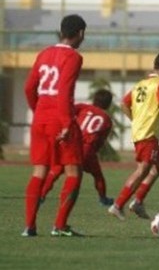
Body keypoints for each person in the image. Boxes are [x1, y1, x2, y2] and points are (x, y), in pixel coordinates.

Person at [22, 14, 87, 237]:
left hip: (40, 120)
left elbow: (29, 88)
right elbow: (64, 91)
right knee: (73, 172)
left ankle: (29, 226)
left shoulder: (44, 53)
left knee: (39, 171)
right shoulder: (74, 57)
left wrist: (38, 111)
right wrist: (67, 123)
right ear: (80, 33)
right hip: (61, 120)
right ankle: (59, 225)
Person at [108, 52, 159, 220]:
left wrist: (135, 120)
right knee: (143, 169)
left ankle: (138, 202)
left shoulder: (141, 84)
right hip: (148, 134)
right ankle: (118, 205)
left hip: (141, 132)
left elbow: (124, 103)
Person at [40, 89, 114, 206]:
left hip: (72, 143)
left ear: (94, 99)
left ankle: (41, 196)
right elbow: (100, 141)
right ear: (109, 103)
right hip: (87, 149)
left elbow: (66, 114)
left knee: (57, 170)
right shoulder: (107, 120)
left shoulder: (83, 107)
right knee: (97, 175)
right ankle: (103, 198)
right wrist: (91, 153)